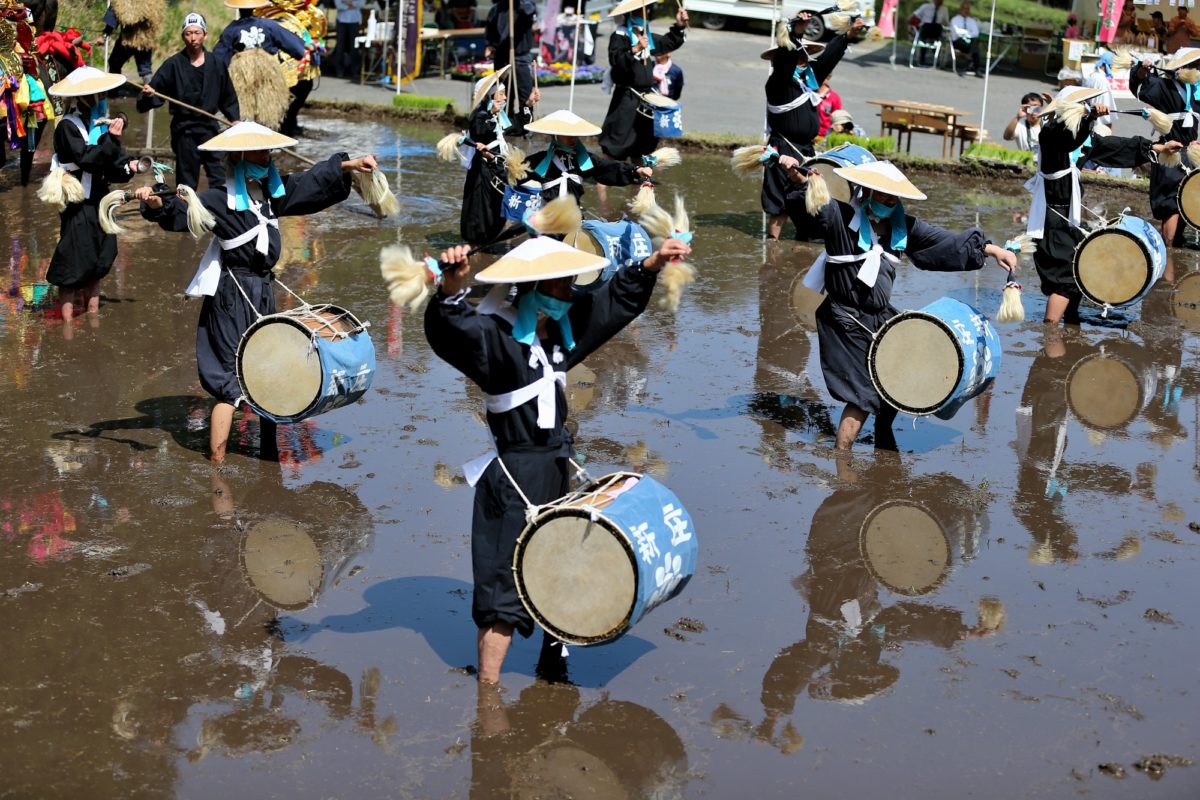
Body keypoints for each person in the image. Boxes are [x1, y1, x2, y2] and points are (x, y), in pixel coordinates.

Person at [423, 232, 692, 685]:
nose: (572, 294)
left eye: (571, 283)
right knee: (501, 593)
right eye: (562, 286)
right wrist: (451, 287)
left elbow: (610, 305)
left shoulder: (561, 339)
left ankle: (554, 661)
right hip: (512, 477)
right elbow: (453, 329)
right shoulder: (496, 341)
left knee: (562, 564)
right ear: (532, 290)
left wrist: (651, 264)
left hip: (555, 467)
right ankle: (488, 693)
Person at [135, 121, 379, 464]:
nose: (268, 158)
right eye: (260, 152)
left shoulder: (270, 196)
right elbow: (184, 211)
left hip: (262, 291)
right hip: (231, 296)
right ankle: (217, 466)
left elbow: (308, 183)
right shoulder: (220, 200)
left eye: (268, 151)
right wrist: (157, 205)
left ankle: (269, 452)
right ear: (239, 157)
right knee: (229, 380)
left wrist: (347, 165)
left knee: (269, 370)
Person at [776, 156, 1016, 449]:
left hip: (877, 314)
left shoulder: (903, 228)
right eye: (882, 193)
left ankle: (882, 435)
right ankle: (842, 455)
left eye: (893, 195)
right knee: (862, 393)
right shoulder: (841, 217)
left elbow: (945, 243)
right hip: (844, 316)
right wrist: (797, 179)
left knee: (897, 370)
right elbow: (814, 212)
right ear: (867, 192)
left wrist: (992, 250)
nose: (888, 199)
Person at [1024, 86, 1181, 324]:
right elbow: (1066, 138)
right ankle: (1050, 331)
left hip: (1070, 216)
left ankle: (1070, 323)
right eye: (1081, 106)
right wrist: (1091, 117)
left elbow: (1119, 146)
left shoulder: (1085, 141)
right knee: (1064, 277)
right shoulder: (1051, 135)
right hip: (1052, 218)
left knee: (1078, 269)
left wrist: (1160, 148)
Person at [41, 66, 142, 321]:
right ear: (84, 98)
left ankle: (93, 316)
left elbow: (111, 166)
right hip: (77, 205)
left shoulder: (100, 128)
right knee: (73, 263)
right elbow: (88, 160)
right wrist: (112, 140)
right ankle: (66, 325)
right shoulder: (67, 127)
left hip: (100, 202)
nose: (103, 99)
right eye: (99, 95)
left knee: (99, 260)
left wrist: (128, 168)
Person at [761, 11, 868, 240]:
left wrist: (848, 35)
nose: (804, 59)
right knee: (779, 203)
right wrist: (796, 31)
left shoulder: (806, 82)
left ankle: (802, 244)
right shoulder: (778, 82)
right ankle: (772, 246)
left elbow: (828, 58)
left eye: (806, 55)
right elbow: (786, 60)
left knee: (809, 201)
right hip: (783, 148)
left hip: (805, 150)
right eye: (800, 55)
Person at [136, 13, 240, 190]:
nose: (193, 38)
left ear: (205, 34)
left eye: (197, 33)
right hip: (184, 131)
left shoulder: (216, 63)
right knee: (186, 182)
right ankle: (185, 213)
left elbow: (227, 96)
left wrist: (235, 120)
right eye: (188, 33)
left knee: (220, 177)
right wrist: (148, 95)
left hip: (210, 128)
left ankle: (221, 212)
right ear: (183, 36)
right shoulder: (173, 65)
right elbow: (153, 95)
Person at [459, 66, 540, 245]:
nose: (504, 97)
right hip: (482, 171)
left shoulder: (498, 117)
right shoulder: (479, 116)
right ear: (490, 97)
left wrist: (528, 104)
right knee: (481, 209)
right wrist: (490, 113)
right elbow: (479, 130)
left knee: (496, 207)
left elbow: (518, 126)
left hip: (496, 168)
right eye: (501, 94)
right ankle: (475, 243)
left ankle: (492, 238)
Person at [599, 0, 688, 162]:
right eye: (642, 10)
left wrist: (679, 25)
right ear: (631, 14)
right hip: (626, 98)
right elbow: (616, 62)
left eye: (646, 9)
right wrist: (635, 49)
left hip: (645, 98)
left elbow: (668, 43)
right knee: (614, 146)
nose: (645, 12)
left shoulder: (646, 36)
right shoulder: (620, 36)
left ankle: (640, 184)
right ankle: (603, 181)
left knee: (642, 148)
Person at [1131, 49, 1200, 247]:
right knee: (1171, 204)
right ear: (1182, 68)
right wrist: (1141, 70)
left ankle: (1174, 244)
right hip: (1170, 151)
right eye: (1195, 65)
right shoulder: (1163, 85)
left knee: (1184, 201)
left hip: (1191, 151)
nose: (1198, 69)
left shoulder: (1195, 89)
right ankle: (1168, 251)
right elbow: (1140, 84)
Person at [522, 109, 650, 205]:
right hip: (547, 215)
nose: (572, 138)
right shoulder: (540, 160)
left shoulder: (584, 160)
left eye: (574, 134)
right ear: (556, 135)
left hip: (572, 215)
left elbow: (608, 167)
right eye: (567, 135)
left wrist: (636, 170)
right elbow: (514, 174)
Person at [484, 0, 537, 123]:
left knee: (525, 94)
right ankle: (505, 124)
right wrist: (489, 45)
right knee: (504, 94)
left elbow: (529, 11)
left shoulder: (526, 4)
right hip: (501, 57)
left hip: (520, 56)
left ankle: (526, 125)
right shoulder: (497, 9)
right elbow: (490, 29)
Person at [95, 0, 163, 91]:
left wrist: (104, 36)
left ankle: (115, 92)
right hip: (136, 40)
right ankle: (116, 91)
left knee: (141, 68)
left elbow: (113, 17)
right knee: (143, 69)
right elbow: (114, 15)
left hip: (136, 40)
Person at [330, 0, 364, 79]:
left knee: (354, 46)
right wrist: (351, 5)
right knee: (340, 46)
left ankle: (354, 70)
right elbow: (338, 4)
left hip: (354, 20)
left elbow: (361, 3)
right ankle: (339, 70)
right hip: (341, 20)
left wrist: (346, 3)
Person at [910, 0, 948, 66]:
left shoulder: (944, 9)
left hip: (936, 31)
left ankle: (936, 56)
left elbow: (946, 22)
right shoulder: (925, 7)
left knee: (938, 26)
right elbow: (914, 15)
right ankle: (922, 57)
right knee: (926, 25)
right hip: (925, 30)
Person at [1082, 51, 1115, 126]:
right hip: (1098, 123)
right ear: (1107, 65)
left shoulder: (1091, 76)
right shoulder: (1102, 81)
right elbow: (1106, 111)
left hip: (1087, 119)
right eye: (1111, 65)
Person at [949, 1, 982, 77]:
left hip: (969, 42)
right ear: (960, 9)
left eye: (967, 9)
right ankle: (974, 67)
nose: (966, 10)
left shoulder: (972, 21)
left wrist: (965, 33)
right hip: (958, 41)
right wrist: (968, 33)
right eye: (964, 8)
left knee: (975, 41)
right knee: (975, 47)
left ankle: (969, 59)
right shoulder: (955, 20)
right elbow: (957, 32)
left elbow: (976, 33)